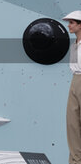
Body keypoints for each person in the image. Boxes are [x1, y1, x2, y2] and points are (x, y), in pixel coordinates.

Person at [63, 11, 81, 164]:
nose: (69, 25)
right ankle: (75, 160)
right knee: (72, 122)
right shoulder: (74, 46)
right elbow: (73, 67)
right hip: (75, 80)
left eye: (72, 23)